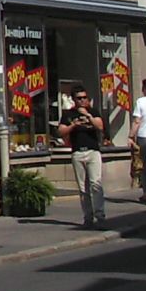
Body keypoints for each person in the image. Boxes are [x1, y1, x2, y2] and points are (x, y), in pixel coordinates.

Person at [57, 86, 106, 227]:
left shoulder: (93, 111)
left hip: (93, 151)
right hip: (78, 152)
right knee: (83, 188)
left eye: (85, 97)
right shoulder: (68, 114)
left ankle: (100, 215)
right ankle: (88, 217)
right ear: (74, 99)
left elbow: (100, 126)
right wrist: (73, 125)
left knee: (95, 184)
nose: (83, 100)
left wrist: (88, 116)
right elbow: (61, 131)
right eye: (79, 98)